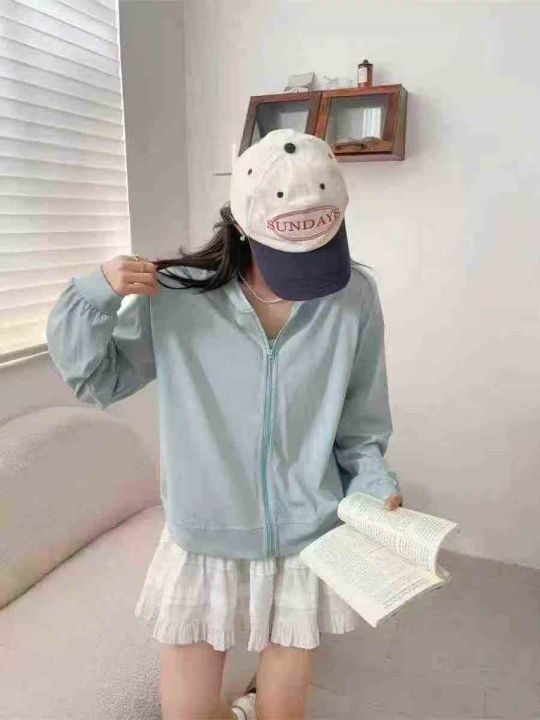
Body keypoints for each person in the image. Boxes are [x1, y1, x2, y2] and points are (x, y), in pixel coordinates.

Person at [46, 128, 403, 720]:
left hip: (306, 531)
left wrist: (373, 484)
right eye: (286, 251)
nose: (305, 272)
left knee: (282, 709)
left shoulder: (352, 294)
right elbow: (98, 381)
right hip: (206, 528)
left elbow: (361, 420)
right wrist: (93, 295)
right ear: (241, 224)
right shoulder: (177, 295)